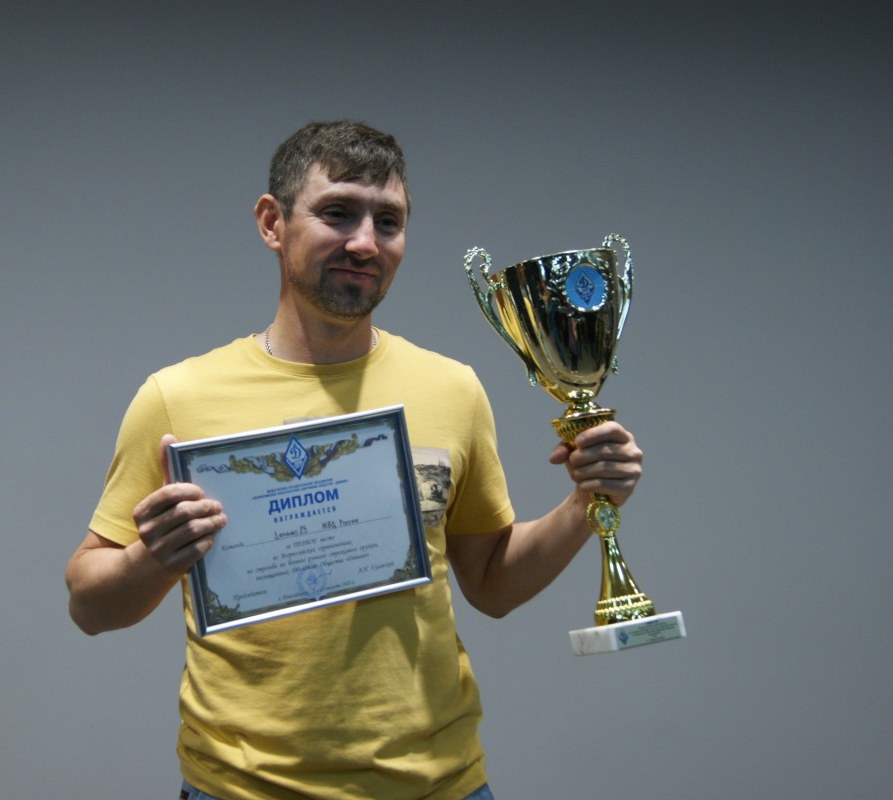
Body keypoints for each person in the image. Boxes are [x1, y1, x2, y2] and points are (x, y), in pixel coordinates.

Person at [65, 120, 643, 800]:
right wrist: (150, 560)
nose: (365, 242)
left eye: (388, 221)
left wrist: (584, 504)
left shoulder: (451, 389)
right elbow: (89, 606)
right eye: (337, 212)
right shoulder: (177, 398)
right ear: (272, 222)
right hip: (241, 789)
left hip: (439, 785)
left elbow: (492, 585)